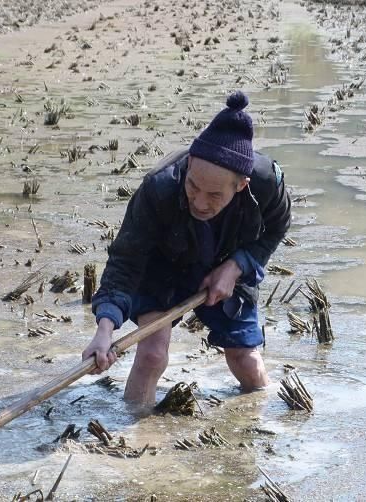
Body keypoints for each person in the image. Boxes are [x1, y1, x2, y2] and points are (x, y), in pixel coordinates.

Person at [81, 91, 291, 407]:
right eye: (193, 186)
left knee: (246, 360)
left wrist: (237, 265)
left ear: (242, 184)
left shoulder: (266, 185)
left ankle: (258, 428)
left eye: (214, 195)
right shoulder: (158, 188)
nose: (200, 202)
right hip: (164, 266)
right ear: (190, 162)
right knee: (152, 354)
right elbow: (125, 263)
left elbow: (277, 229)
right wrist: (105, 329)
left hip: (227, 260)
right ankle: (133, 432)